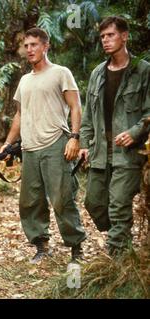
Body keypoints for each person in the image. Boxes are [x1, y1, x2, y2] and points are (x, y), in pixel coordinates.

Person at [0, 27, 86, 264]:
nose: (29, 49)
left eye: (34, 45)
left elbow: (76, 106)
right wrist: (7, 144)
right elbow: (19, 115)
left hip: (55, 144)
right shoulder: (25, 80)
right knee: (31, 201)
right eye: (26, 45)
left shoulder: (61, 73)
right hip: (29, 148)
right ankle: (41, 246)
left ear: (46, 46)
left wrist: (74, 137)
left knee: (62, 198)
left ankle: (76, 248)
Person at [79, 16, 150, 256]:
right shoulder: (98, 73)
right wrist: (84, 143)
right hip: (100, 151)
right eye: (102, 37)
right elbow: (88, 115)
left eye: (110, 35)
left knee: (119, 205)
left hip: (128, 153)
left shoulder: (143, 71)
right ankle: (121, 235)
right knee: (94, 203)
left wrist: (135, 132)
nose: (106, 41)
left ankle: (118, 259)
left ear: (124, 36)